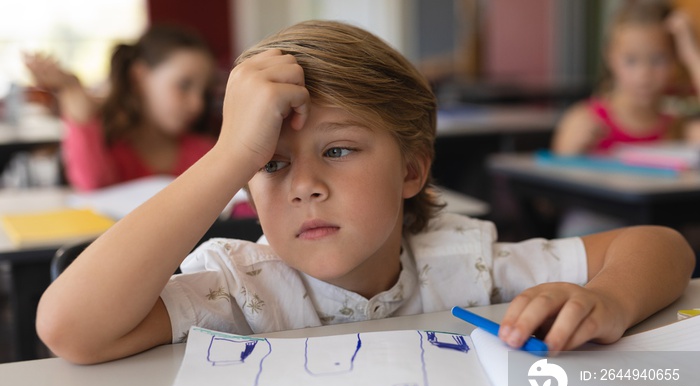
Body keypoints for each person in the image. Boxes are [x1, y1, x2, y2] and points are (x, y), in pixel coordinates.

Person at [36, 20, 695, 365]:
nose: (307, 187)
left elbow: (662, 245)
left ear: (411, 170)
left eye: (339, 151)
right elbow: (70, 329)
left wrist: (606, 299)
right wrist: (231, 154)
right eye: (271, 164)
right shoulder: (237, 292)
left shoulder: (461, 264)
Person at [24, 24, 219, 192]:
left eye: (204, 92)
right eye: (184, 86)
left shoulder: (206, 152)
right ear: (139, 77)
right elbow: (93, 183)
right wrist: (73, 92)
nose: (197, 104)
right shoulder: (114, 149)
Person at [552, 1, 700, 155]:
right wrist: (570, 153)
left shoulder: (681, 129)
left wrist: (692, 56)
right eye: (631, 60)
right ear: (610, 57)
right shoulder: (583, 121)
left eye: (658, 60)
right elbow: (552, 176)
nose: (644, 74)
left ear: (675, 61)